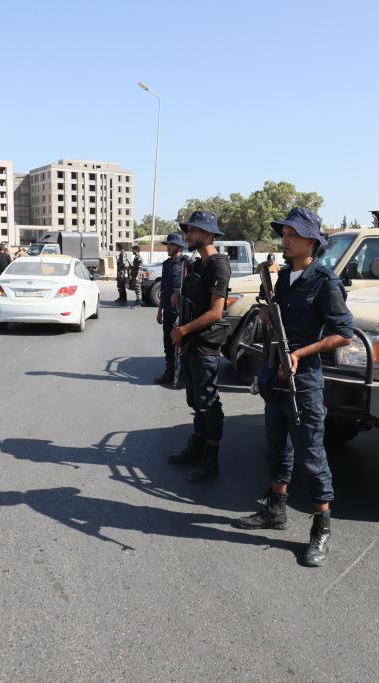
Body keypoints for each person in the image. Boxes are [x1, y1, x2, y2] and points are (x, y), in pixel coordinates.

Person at [234, 207, 354, 568]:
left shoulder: (325, 281)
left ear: (311, 241)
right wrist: (267, 315)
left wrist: (301, 352)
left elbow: (342, 334)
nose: (284, 239)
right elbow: (274, 319)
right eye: (284, 233)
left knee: (311, 456)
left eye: (292, 234)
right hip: (275, 377)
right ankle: (275, 509)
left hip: (304, 381)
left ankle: (321, 528)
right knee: (277, 447)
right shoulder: (283, 277)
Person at [168, 211, 231, 482]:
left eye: (193, 231)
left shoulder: (218, 265)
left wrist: (183, 330)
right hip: (192, 343)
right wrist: (177, 299)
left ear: (207, 234)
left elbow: (216, 312)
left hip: (205, 344)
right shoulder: (197, 265)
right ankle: (197, 446)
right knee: (195, 400)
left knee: (208, 402)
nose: (187, 235)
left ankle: (211, 459)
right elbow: (195, 303)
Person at [153, 233, 188, 385]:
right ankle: (169, 371)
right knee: (168, 342)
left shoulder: (188, 263)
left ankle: (183, 374)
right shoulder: (166, 264)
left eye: (171, 245)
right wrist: (159, 310)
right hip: (167, 310)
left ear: (179, 247)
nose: (168, 247)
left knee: (182, 344)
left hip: (183, 313)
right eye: (167, 244)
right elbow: (164, 288)